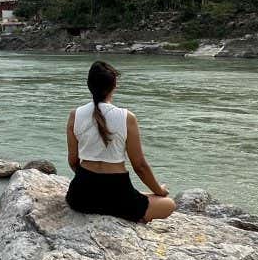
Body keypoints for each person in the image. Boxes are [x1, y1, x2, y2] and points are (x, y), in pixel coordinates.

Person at [65, 60, 176, 223]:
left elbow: (73, 161)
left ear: (89, 85)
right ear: (114, 86)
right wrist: (159, 190)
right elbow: (140, 166)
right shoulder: (127, 117)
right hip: (118, 193)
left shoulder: (75, 115)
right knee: (169, 204)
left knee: (135, 196)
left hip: (81, 196)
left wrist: (92, 183)